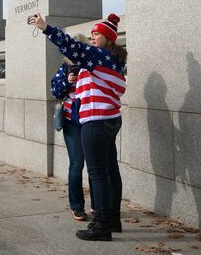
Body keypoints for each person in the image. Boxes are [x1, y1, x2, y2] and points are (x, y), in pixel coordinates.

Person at [30, 13, 127, 241]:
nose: (93, 37)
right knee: (111, 170)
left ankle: (101, 224)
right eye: (92, 33)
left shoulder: (98, 57)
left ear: (108, 39)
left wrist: (45, 27)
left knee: (98, 173)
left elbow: (71, 46)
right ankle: (113, 218)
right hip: (111, 119)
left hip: (95, 121)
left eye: (97, 34)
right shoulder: (114, 59)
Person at [51, 37, 96, 222]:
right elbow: (55, 90)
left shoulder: (92, 64)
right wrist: (68, 82)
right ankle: (77, 206)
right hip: (71, 121)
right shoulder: (65, 68)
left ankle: (98, 204)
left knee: (95, 167)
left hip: (92, 119)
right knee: (77, 165)